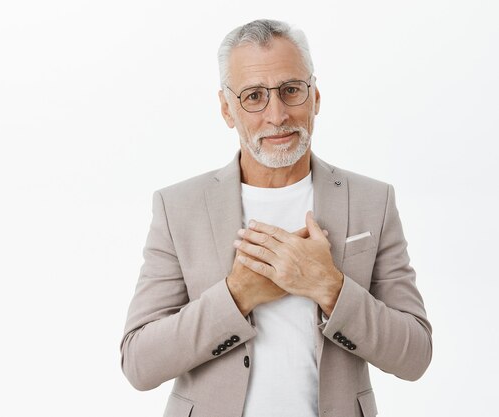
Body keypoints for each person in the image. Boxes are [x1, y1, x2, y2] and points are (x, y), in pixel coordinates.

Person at [120, 19, 432, 417]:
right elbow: (139, 363)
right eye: (253, 96)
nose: (277, 114)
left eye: (291, 90)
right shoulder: (178, 206)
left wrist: (329, 287)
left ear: (315, 96)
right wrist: (237, 296)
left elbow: (415, 356)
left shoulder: (374, 200)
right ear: (226, 109)